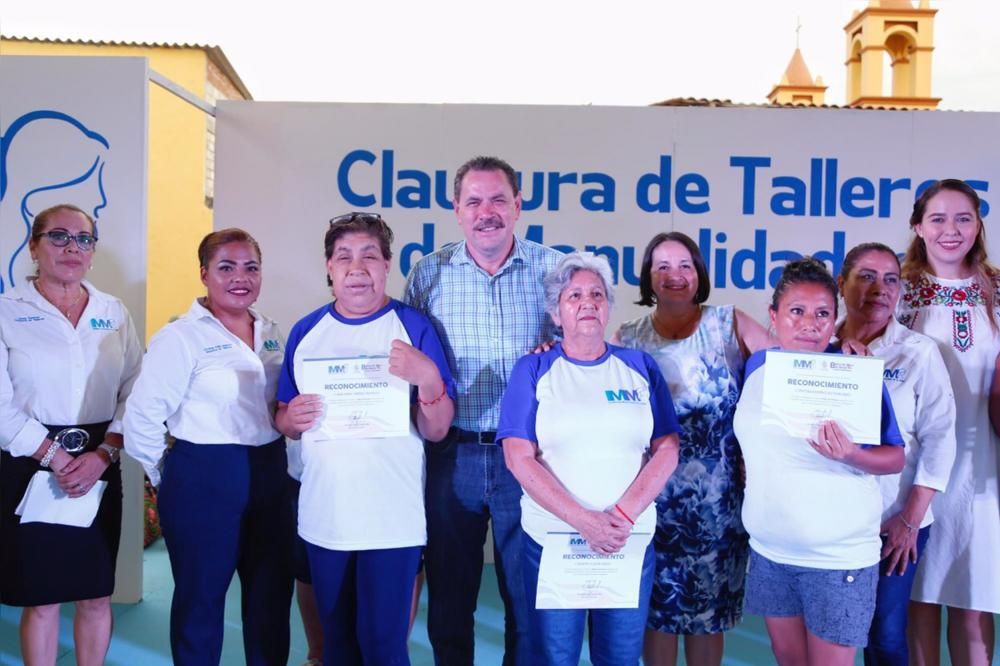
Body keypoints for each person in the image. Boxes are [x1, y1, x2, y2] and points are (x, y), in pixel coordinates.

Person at [274, 212, 454, 665]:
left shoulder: (414, 328)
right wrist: (290, 418)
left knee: (384, 647)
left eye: (369, 256)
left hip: (392, 519)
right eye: (344, 257)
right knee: (336, 646)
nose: (357, 268)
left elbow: (437, 429)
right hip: (327, 516)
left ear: (387, 264)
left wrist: (429, 377)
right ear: (329, 267)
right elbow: (284, 419)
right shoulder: (306, 332)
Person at [403, 155, 563, 664]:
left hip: (531, 456)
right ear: (456, 209)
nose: (486, 212)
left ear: (518, 205)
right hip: (452, 454)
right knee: (450, 601)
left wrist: (556, 355)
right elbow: (412, 366)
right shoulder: (428, 274)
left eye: (498, 199)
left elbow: (581, 356)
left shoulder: (555, 271)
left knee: (528, 602)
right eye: (473, 201)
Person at [498, 252, 681, 666]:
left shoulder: (639, 366)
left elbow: (667, 449)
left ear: (609, 306)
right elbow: (518, 457)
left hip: (626, 541)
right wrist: (586, 522)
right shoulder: (533, 368)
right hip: (555, 542)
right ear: (555, 313)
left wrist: (620, 518)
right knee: (554, 657)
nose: (587, 303)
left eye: (597, 294)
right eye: (574, 295)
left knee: (620, 657)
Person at [124, 228, 293, 666]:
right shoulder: (181, 337)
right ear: (204, 274)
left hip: (270, 473)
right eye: (226, 267)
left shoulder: (272, 331)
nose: (241, 277)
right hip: (202, 474)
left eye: (251, 267)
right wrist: (169, 474)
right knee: (200, 601)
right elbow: (141, 416)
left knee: (272, 598)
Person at [733, 256, 905, 666]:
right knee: (788, 660)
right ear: (774, 316)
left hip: (836, 559)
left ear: (835, 320)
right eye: (796, 311)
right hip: (770, 552)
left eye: (822, 314)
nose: (809, 324)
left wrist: (851, 454)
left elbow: (895, 457)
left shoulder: (854, 372)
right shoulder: (757, 366)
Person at [611, 231, 770, 666]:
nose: (674, 275)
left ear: (699, 273)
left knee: (707, 617)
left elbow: (789, 369)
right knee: (658, 615)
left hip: (718, 506)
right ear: (648, 278)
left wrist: (840, 349)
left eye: (684, 265)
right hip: (650, 502)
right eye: (661, 266)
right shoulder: (628, 338)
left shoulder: (730, 324)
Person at [0, 204, 141, 666]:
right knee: (41, 599)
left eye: (83, 239)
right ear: (33, 246)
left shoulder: (113, 312)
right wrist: (55, 457)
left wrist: (106, 452)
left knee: (95, 593)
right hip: (29, 462)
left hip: (100, 461)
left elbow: (136, 388)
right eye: (58, 236)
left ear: (93, 251)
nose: (72, 248)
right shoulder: (6, 311)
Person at [833, 242, 957, 666]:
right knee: (826, 631)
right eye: (866, 277)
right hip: (827, 519)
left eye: (890, 279)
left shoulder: (918, 352)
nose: (879, 289)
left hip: (894, 519)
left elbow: (940, 437)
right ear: (842, 284)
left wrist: (909, 521)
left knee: (884, 635)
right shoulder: (816, 347)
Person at [899, 179, 1000, 666]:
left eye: (963, 218)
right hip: (915, 467)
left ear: (978, 225)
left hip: (984, 465)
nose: (951, 230)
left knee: (974, 593)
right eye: (937, 219)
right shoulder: (897, 290)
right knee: (918, 594)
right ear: (918, 227)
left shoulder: (997, 290)